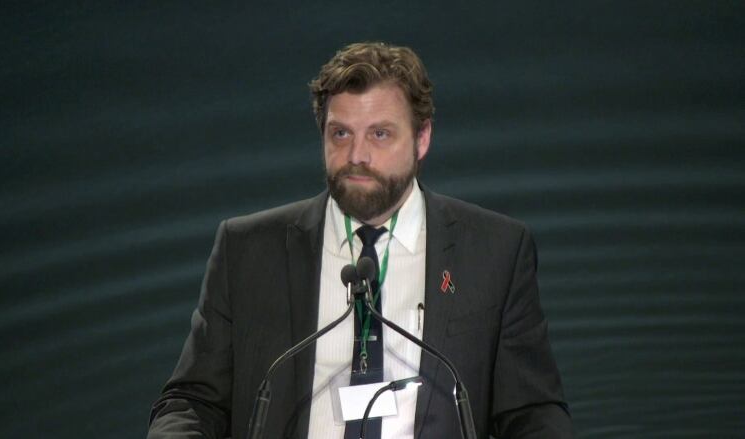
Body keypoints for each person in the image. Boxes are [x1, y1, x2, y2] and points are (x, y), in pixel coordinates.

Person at [148, 42, 572, 438]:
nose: (357, 155)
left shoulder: (495, 251)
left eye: (380, 134)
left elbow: (533, 413)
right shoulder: (248, 250)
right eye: (341, 134)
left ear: (422, 138)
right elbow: (191, 402)